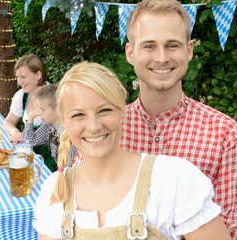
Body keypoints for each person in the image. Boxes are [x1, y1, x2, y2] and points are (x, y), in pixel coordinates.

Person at [73, 0, 237, 237]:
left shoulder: (225, 133)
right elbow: (79, 208)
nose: (161, 58)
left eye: (172, 45)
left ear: (189, 51)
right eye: (149, 46)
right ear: (130, 52)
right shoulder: (102, 128)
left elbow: (230, 228)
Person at [33, 61, 231, 240]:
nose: (93, 126)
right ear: (64, 121)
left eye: (104, 110)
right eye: (78, 115)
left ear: (122, 111)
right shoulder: (54, 191)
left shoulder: (173, 179)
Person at [4, 54, 57, 169]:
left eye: (23, 77)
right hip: (29, 151)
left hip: (52, 158)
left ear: (38, 75)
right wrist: (15, 132)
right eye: (17, 77)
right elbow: (8, 121)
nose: (19, 82)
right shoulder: (21, 96)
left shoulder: (53, 97)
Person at [22, 84, 77, 171]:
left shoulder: (69, 134)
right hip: (58, 172)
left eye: (42, 109)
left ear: (58, 110)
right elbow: (28, 143)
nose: (39, 113)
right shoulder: (49, 125)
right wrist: (30, 118)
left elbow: (70, 170)